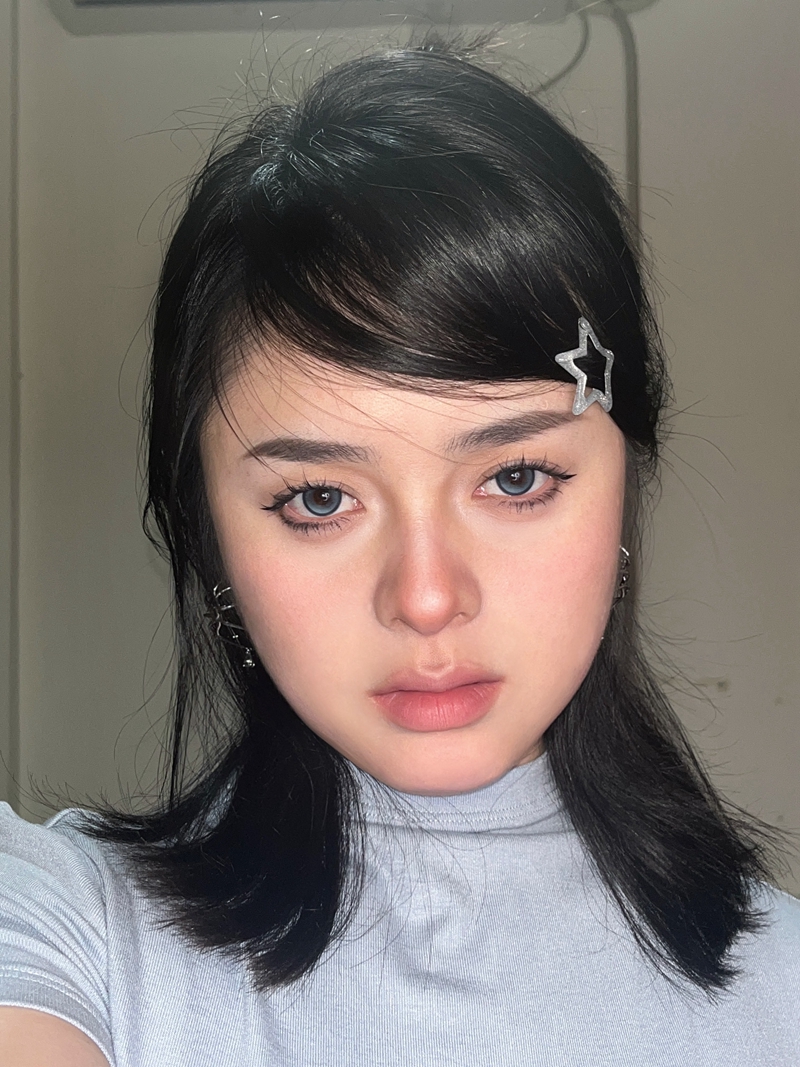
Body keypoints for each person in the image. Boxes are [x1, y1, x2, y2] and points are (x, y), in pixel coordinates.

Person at [0, 40, 797, 1067]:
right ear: (212, 537)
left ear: (622, 488)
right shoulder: (66, 929)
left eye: (517, 477)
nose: (425, 597)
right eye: (319, 499)